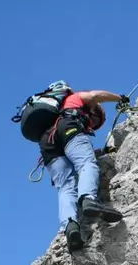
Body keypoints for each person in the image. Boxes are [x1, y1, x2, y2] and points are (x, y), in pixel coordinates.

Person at [39, 82, 130, 253]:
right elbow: (95, 95)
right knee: (87, 164)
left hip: (47, 143)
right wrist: (120, 98)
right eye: (96, 121)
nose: (93, 126)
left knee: (65, 187)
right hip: (68, 127)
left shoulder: (52, 117)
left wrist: (102, 151)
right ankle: (88, 199)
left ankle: (71, 226)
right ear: (93, 111)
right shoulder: (74, 99)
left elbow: (72, 152)